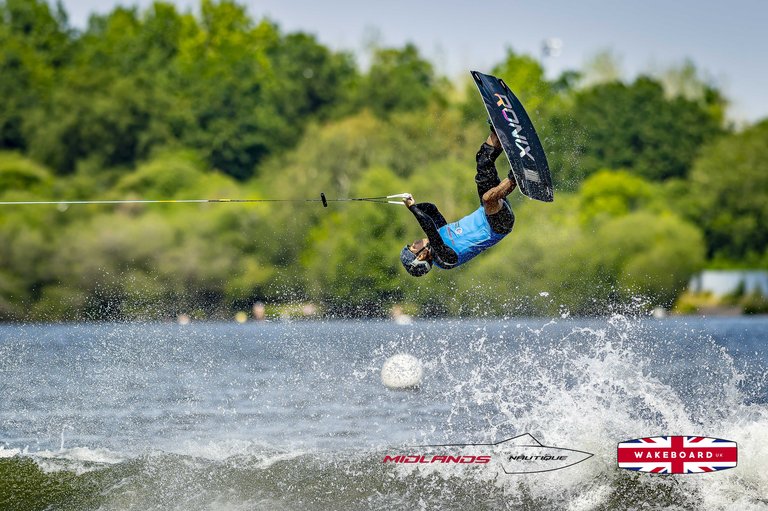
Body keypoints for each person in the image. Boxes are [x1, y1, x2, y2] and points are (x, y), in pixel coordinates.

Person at [400, 126, 517, 276]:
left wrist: (414, 204)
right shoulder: (445, 260)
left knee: (483, 161)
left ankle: (499, 130)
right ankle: (517, 176)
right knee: (488, 198)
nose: (414, 242)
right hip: (499, 225)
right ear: (421, 256)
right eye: (413, 247)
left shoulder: (440, 234)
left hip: (488, 210)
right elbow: (429, 228)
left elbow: (431, 210)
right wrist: (412, 209)